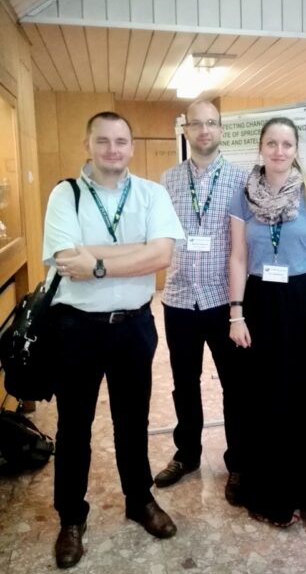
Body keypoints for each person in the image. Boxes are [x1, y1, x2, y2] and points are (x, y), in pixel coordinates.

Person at [43, 111, 185, 569]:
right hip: (76, 328)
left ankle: (138, 500)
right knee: (74, 428)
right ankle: (71, 517)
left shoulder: (151, 194)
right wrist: (135, 250)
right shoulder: (66, 194)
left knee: (132, 421)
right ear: (87, 144)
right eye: (102, 140)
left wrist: (98, 262)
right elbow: (66, 259)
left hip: (134, 327)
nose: (112, 149)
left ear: (131, 147)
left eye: (121, 141)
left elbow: (162, 254)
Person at [229, 117, 306, 527]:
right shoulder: (244, 196)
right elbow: (238, 257)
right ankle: (271, 492)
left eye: (287, 144)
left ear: (297, 150)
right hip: (261, 303)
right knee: (265, 398)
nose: (279, 151)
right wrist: (236, 313)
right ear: (260, 148)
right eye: (272, 144)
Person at [154, 100, 248, 504]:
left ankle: (239, 461)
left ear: (221, 129)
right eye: (197, 124)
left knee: (235, 386)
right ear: (185, 130)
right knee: (184, 383)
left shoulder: (242, 179)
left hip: (224, 300)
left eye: (211, 123)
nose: (204, 130)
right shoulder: (168, 179)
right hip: (178, 298)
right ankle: (187, 454)